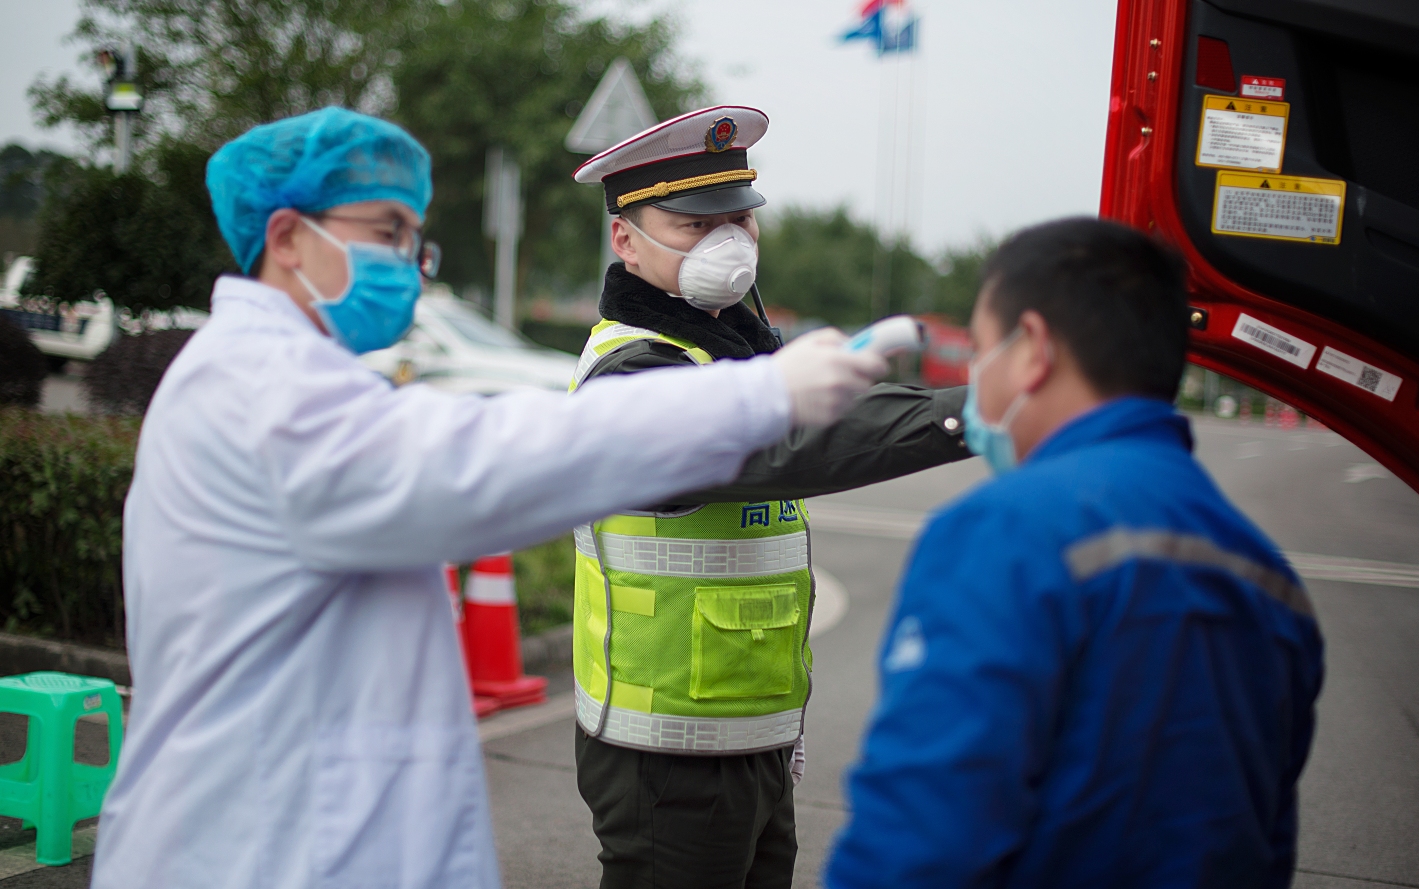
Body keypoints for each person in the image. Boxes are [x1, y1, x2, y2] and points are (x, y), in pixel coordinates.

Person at [89, 107, 891, 889]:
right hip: (254, 845)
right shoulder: (262, 391)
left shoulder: (292, 377)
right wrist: (758, 397)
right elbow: (481, 462)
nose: (406, 262)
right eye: (383, 233)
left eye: (413, 238)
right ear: (289, 237)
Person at [825, 217, 1325, 888]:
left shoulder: (1002, 532)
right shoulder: (1271, 577)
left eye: (979, 349)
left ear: (1031, 348)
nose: (975, 377)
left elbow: (918, 839)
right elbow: (1264, 847)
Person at [567, 106, 973, 889]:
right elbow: (785, 446)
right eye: (694, 225)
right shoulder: (633, 373)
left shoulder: (740, 358)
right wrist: (971, 411)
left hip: (750, 740)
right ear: (625, 238)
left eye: (739, 222)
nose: (727, 242)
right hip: (665, 754)